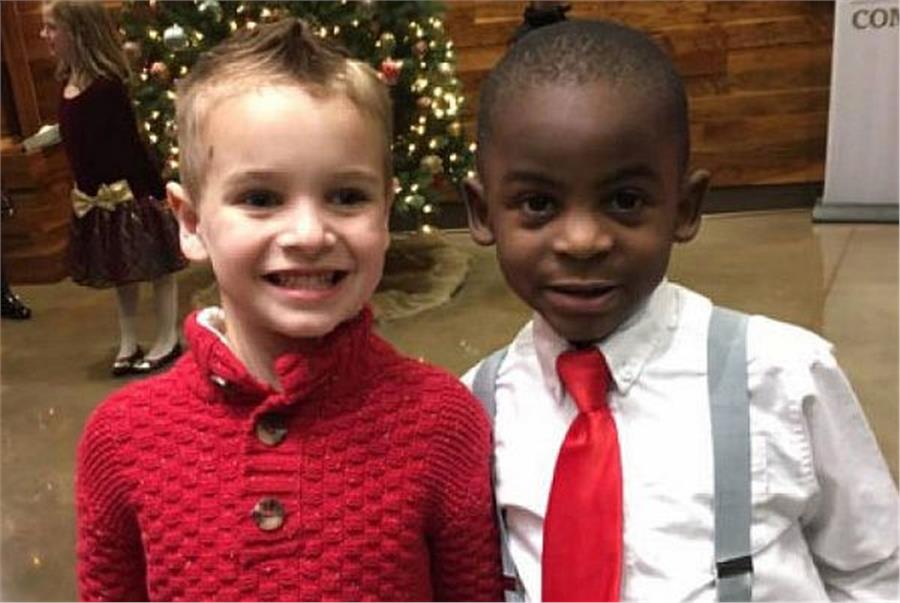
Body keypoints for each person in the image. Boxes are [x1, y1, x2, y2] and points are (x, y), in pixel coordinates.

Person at [461, 18, 898, 602]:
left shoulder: (783, 376)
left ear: (686, 208)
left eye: (626, 200)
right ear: (482, 213)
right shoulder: (473, 408)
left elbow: (874, 572)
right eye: (538, 204)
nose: (583, 240)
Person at [75, 17, 503, 602]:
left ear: (384, 214)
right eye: (261, 198)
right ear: (191, 223)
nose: (308, 234)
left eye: (346, 197)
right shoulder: (120, 441)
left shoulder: (445, 424)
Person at [41, 1, 187, 376]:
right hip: (95, 197)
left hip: (130, 194)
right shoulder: (67, 82)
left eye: (52, 27)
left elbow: (129, 145)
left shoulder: (107, 87)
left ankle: (168, 336)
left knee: (159, 266)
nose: (45, 35)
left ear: (78, 31)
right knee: (121, 269)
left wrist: (152, 194)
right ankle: (128, 339)